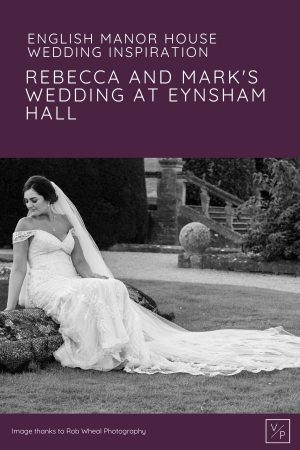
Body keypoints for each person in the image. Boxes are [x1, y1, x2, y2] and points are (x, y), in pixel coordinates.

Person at [5, 175, 300, 375]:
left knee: (112, 288)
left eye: (34, 200)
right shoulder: (24, 225)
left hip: (70, 277)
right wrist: (10, 307)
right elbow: (19, 268)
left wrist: (98, 277)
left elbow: (79, 260)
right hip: (45, 284)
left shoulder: (65, 220)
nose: (29, 205)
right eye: (27, 201)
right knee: (81, 293)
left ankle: (118, 352)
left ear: (48, 198)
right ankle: (101, 356)